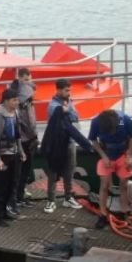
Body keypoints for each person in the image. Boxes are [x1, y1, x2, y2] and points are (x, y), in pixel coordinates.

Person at [40, 90, 92, 213]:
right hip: (56, 151)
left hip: (61, 149)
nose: (66, 107)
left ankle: (66, 198)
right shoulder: (61, 119)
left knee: (67, 172)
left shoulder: (57, 122)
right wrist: (89, 147)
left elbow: (75, 122)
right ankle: (52, 200)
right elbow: (76, 134)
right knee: (54, 175)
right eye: (63, 106)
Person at [88, 109, 132, 229]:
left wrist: (129, 156)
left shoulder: (125, 120)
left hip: (122, 155)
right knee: (104, 186)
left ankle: (123, 212)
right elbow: (93, 140)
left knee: (123, 185)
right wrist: (103, 156)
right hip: (106, 154)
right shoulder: (95, 122)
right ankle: (103, 214)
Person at [0, 89, 24, 226]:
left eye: (17, 100)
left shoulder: (15, 113)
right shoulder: (0, 115)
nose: (17, 102)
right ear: (6, 101)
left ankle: (5, 211)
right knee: (1, 187)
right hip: (4, 155)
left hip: (14, 153)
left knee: (12, 185)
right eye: (14, 100)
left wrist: (21, 150)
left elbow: (17, 135)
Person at [45, 79, 80, 209]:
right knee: (53, 172)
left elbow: (75, 116)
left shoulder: (69, 102)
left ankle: (68, 197)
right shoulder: (52, 105)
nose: (69, 93)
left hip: (70, 141)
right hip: (57, 144)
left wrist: (68, 110)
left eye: (69, 90)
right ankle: (51, 200)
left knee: (70, 170)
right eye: (66, 90)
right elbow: (59, 116)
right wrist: (66, 112)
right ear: (58, 90)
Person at [11, 68, 37, 209]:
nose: (28, 84)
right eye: (25, 80)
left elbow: (31, 120)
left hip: (29, 138)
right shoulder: (19, 100)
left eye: (29, 80)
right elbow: (21, 121)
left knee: (25, 171)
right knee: (20, 171)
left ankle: (20, 196)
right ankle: (16, 198)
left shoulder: (27, 101)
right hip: (23, 140)